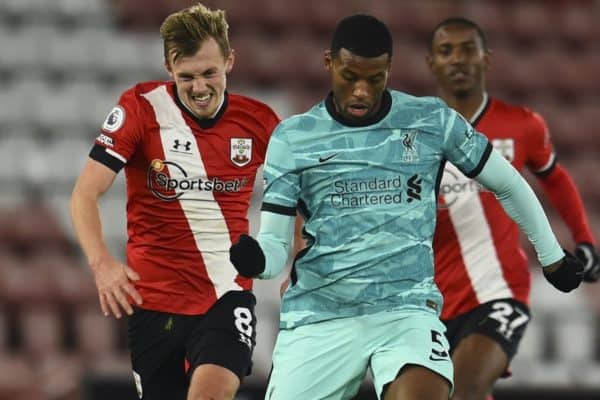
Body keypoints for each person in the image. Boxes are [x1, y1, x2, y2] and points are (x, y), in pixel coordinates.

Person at [229, 14, 584, 400]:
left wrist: (552, 257)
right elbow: (275, 246)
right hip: (321, 314)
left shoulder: (431, 121)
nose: (362, 91)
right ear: (329, 63)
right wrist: (256, 260)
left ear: (389, 69)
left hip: (406, 312)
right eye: (350, 77)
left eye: (375, 77)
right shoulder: (293, 138)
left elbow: (509, 183)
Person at [69, 3, 280, 400]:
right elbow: (84, 194)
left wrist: (294, 262)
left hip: (226, 295)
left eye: (208, 73)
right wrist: (102, 264)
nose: (199, 88)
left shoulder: (260, 122)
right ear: (168, 68)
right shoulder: (140, 109)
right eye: (186, 77)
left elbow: (301, 196)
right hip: (153, 303)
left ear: (229, 61)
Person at [426, 17, 599, 400]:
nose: (458, 59)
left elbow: (554, 177)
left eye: (468, 49)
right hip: (429, 301)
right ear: (431, 63)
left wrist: (584, 239)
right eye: (446, 51)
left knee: (467, 386)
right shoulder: (416, 134)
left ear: (486, 59)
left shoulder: (521, 125)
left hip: (498, 292)